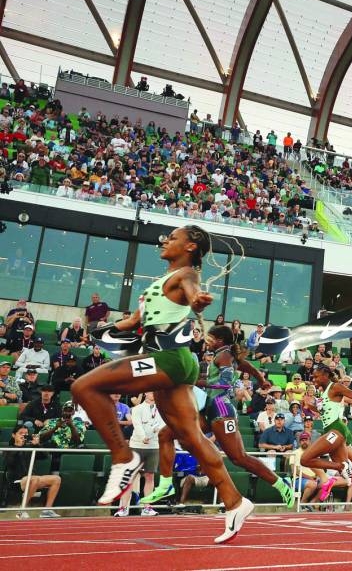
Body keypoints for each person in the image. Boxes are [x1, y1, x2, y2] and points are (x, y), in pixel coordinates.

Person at [70, 226, 254, 543]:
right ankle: (235, 502)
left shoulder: (187, 274)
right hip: (175, 363)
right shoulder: (161, 282)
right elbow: (132, 322)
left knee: (83, 387)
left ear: (191, 246)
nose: (166, 240)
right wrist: (102, 331)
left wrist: (198, 301)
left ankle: (123, 458)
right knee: (192, 438)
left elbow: (195, 293)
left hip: (167, 360)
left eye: (173, 236)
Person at [141, 325, 295, 508]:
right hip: (209, 407)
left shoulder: (224, 356)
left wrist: (192, 381)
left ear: (220, 340)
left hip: (222, 409)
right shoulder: (226, 354)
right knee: (166, 434)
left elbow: (223, 385)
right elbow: (246, 365)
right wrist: (261, 379)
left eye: (210, 338)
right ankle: (166, 485)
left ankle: (281, 484)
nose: (206, 341)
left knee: (239, 458)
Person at [297, 365, 352, 519]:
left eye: (316, 376)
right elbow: (324, 412)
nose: (313, 379)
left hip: (337, 431)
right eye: (313, 377)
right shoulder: (323, 392)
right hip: (330, 431)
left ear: (326, 375)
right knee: (347, 473)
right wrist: (310, 406)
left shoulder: (335, 387)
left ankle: (340, 466)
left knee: (305, 459)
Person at [9, 425, 62, 518]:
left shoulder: (30, 447)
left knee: (56, 479)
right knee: (34, 479)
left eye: (25, 434)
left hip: (32, 478)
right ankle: (22, 510)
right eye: (21, 433)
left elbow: (45, 456)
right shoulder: (9, 448)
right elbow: (9, 463)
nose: (23, 436)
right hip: (17, 481)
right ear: (14, 435)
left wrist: (36, 444)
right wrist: (19, 446)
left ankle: (47, 510)